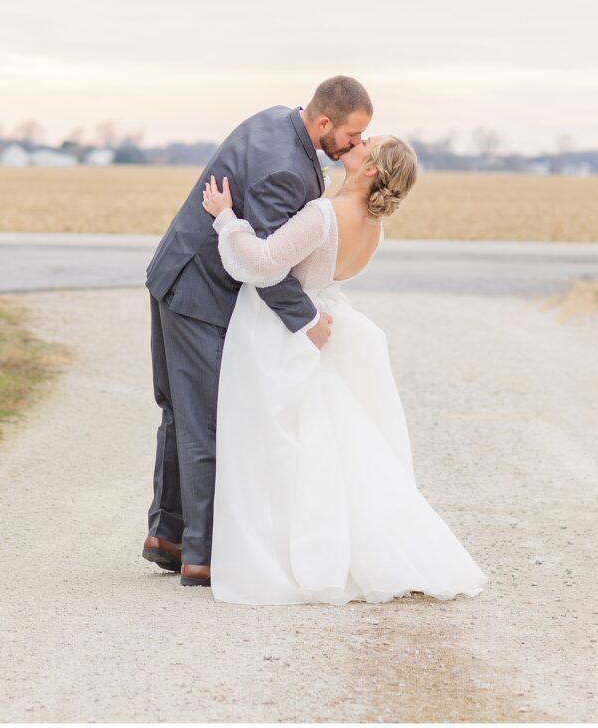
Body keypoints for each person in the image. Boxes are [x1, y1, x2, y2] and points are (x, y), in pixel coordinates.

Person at [202, 134, 489, 604]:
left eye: (366, 144)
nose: (357, 142)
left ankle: (277, 557)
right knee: (317, 448)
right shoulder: (374, 229)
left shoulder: (324, 215)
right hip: (321, 323)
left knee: (269, 444)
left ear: (372, 168)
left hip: (276, 334)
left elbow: (260, 265)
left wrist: (226, 218)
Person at [142, 75, 373, 586]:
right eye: (353, 135)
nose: (356, 144)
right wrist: (306, 320)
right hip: (200, 293)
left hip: (174, 274)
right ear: (324, 122)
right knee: (205, 419)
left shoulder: (275, 119)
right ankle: (201, 556)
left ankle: (168, 533)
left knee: (180, 412)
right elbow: (265, 267)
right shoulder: (288, 170)